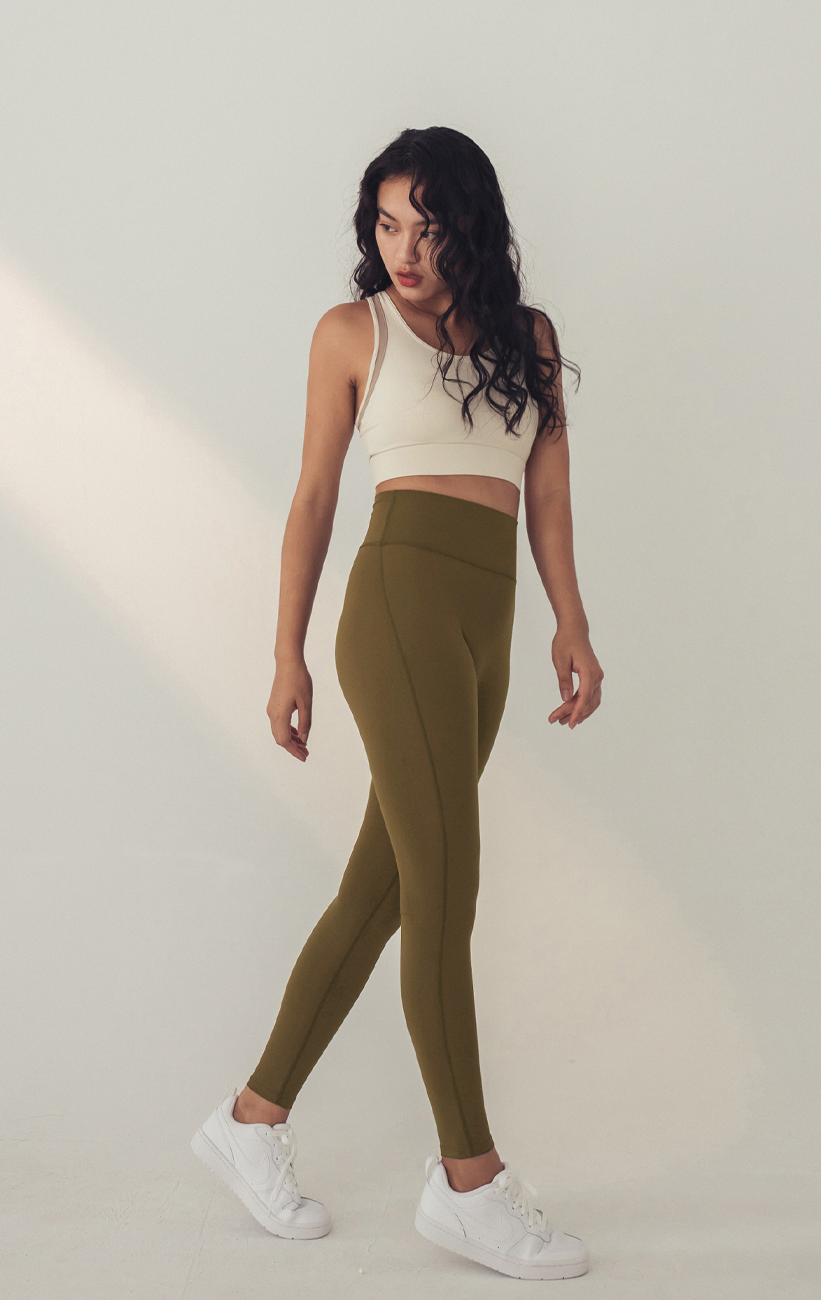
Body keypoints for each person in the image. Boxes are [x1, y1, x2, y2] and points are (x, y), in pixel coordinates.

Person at [191, 125, 602, 1281]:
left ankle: (250, 1118)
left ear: (470, 225)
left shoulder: (526, 339)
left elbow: (547, 494)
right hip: (398, 610)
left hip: (487, 626)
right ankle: (467, 1182)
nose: (403, 249)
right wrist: (285, 654)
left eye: (425, 226)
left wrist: (570, 623)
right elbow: (314, 497)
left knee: (381, 889)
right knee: (442, 891)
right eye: (384, 224)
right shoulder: (352, 332)